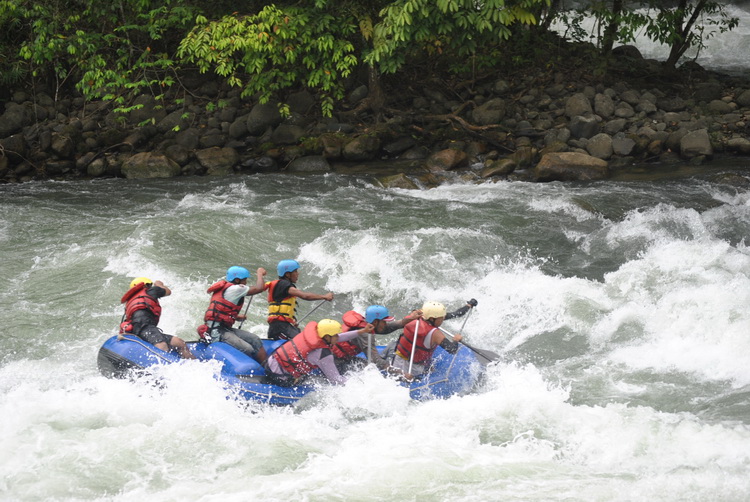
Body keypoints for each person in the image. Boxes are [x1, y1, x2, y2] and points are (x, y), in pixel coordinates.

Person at [265, 319, 374, 386]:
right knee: (321, 381)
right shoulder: (323, 354)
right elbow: (336, 380)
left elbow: (341, 337)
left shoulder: (317, 335)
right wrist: (357, 383)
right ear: (327, 336)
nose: (338, 337)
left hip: (270, 363)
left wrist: (362, 331)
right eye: (335, 335)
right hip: (280, 377)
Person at [199, 266, 268, 365]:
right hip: (216, 331)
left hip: (224, 328)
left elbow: (221, 311)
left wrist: (236, 317)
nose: (246, 282)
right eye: (244, 280)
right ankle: (252, 369)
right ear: (237, 280)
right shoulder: (235, 289)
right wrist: (260, 273)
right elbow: (259, 288)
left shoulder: (228, 288)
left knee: (255, 339)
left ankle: (267, 368)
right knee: (247, 349)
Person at [332, 305, 421, 375]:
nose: (385, 324)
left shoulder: (367, 324)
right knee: (371, 369)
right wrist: (402, 373)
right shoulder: (366, 335)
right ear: (375, 322)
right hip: (336, 362)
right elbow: (376, 362)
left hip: (343, 358)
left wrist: (410, 318)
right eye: (384, 321)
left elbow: (387, 328)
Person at [120, 277, 195, 359]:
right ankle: (165, 368)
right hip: (145, 326)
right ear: (146, 285)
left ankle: (194, 364)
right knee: (162, 345)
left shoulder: (130, 302)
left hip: (141, 328)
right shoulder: (150, 291)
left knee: (180, 343)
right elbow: (168, 292)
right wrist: (159, 284)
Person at [264, 259, 334, 341]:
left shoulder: (280, 285)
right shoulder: (284, 285)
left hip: (280, 326)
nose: (298, 274)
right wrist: (324, 296)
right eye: (295, 271)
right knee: (304, 342)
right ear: (287, 274)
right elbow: (304, 296)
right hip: (280, 328)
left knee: (300, 334)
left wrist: (290, 322)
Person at [389, 301, 463, 378]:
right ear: (432, 319)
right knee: (431, 370)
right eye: (441, 318)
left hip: (397, 360)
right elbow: (452, 349)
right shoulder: (435, 334)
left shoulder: (413, 317)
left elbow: (453, 314)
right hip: (413, 368)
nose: (443, 320)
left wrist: (468, 306)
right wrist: (456, 340)